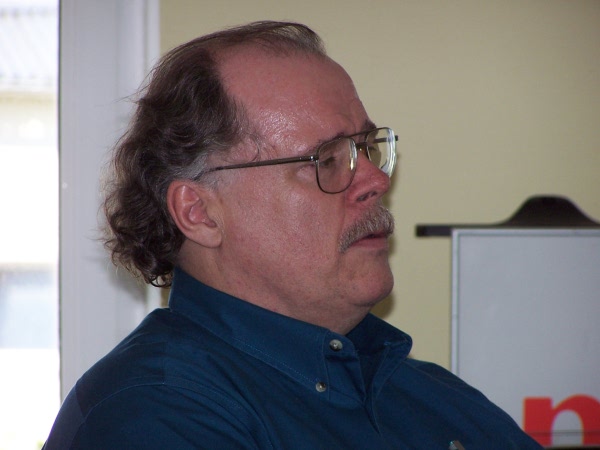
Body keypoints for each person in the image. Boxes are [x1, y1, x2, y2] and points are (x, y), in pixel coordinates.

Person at [44, 21, 542, 449]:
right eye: (325, 159)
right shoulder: (154, 413)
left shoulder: (434, 395)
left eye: (366, 147)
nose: (375, 180)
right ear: (200, 213)